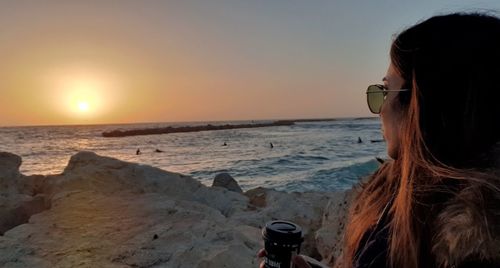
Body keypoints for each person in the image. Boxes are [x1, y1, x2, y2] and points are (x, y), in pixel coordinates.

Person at [258, 13, 500, 268]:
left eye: (385, 91)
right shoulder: (403, 188)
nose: (380, 109)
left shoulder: (477, 242)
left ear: (428, 103)